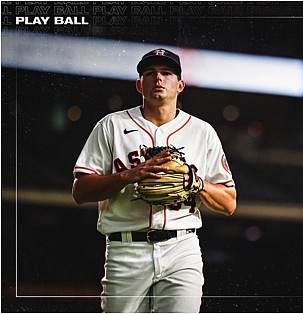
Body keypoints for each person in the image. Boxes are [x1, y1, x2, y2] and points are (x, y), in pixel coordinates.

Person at [72, 48, 237, 313]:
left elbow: (229, 203)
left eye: (167, 73)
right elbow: (80, 190)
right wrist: (128, 175)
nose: (158, 78)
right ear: (140, 84)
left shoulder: (202, 132)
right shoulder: (111, 126)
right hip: (126, 249)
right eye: (150, 73)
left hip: (181, 246)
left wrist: (197, 183)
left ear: (180, 85)